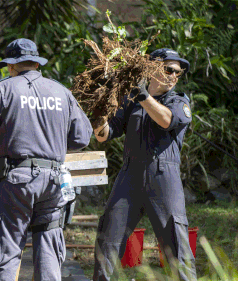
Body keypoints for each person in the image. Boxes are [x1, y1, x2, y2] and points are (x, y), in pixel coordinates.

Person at [0, 38, 93, 280]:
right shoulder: (61, 92)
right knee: (48, 247)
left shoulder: (2, 89)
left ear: (11, 66)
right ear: (36, 63)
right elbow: (82, 138)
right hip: (55, 182)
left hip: (17, 182)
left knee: (7, 249)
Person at [92, 48, 197, 280]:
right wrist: (99, 111)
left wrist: (143, 96)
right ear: (151, 68)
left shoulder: (179, 101)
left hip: (163, 177)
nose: (173, 76)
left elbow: (166, 120)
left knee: (176, 244)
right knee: (107, 238)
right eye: (169, 69)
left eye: (177, 73)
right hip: (129, 175)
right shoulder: (130, 101)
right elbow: (104, 134)